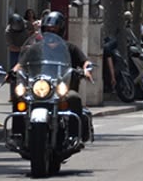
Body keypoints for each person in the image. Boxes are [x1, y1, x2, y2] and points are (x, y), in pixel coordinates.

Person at [9, 11, 94, 141]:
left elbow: (84, 61)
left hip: (61, 89)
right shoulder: (36, 48)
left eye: (54, 30)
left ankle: (74, 135)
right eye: (48, 30)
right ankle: (18, 133)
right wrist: (14, 71)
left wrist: (86, 69)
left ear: (61, 31)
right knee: (18, 96)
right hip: (39, 87)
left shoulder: (69, 47)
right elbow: (21, 63)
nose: (51, 33)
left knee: (74, 98)